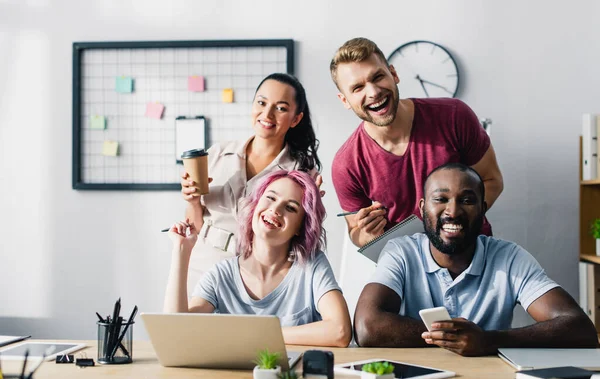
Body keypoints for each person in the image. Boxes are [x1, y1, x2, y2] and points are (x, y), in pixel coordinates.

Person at [353, 163, 598, 356]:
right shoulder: (401, 252)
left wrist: (488, 340)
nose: (453, 211)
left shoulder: (509, 258)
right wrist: (452, 337)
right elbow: (366, 327)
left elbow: (579, 328)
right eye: (441, 199)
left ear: (482, 208)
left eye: (467, 200)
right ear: (422, 207)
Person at [329, 38, 504, 248]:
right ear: (344, 100)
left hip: (471, 251)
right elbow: (356, 233)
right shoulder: (347, 164)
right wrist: (367, 234)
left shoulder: (455, 116)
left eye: (378, 77)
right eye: (357, 88)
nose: (373, 92)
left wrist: (457, 222)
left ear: (393, 74)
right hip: (406, 264)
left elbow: (492, 180)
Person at [165, 170, 352, 347]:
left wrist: (260, 334)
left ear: (300, 227)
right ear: (254, 205)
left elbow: (340, 331)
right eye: (270, 198)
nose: (276, 209)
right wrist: (181, 250)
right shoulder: (220, 276)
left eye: (290, 207)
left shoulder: (312, 266)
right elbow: (174, 332)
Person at [180, 73, 323, 293]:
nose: (267, 114)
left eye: (281, 108)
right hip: (201, 265)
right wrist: (192, 200)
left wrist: (312, 210)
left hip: (255, 275)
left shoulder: (300, 173)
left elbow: (302, 239)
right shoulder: (217, 154)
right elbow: (194, 227)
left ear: (296, 119)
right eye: (262, 102)